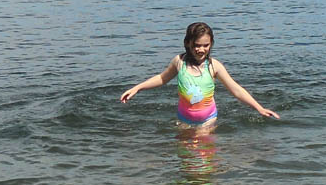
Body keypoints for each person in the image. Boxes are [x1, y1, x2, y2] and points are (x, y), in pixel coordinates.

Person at [120, 22, 280, 127]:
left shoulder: (214, 66)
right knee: (185, 155)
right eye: (197, 45)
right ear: (188, 43)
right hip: (183, 120)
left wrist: (259, 108)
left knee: (202, 153)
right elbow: (162, 78)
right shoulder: (179, 62)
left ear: (211, 45)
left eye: (205, 45)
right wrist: (138, 88)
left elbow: (236, 90)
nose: (201, 49)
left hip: (207, 121)